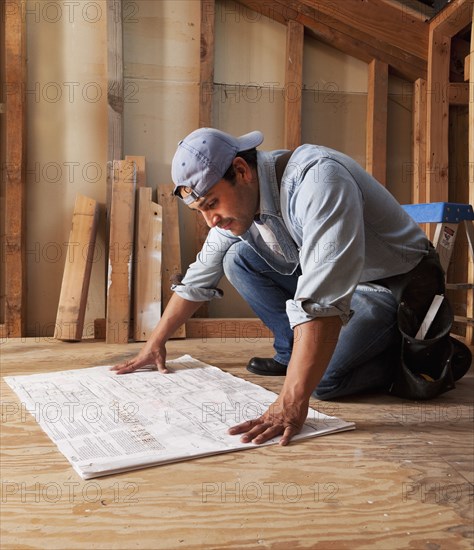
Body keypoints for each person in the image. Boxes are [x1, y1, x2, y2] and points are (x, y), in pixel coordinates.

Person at [112, 127, 456, 445]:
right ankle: (297, 352)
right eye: (201, 210)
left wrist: (291, 401)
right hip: (345, 280)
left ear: (241, 171)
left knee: (322, 382)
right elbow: (200, 275)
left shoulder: (319, 181)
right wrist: (154, 343)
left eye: (213, 204)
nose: (210, 220)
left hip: (395, 285)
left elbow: (321, 300)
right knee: (237, 259)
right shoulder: (241, 200)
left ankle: (412, 355)